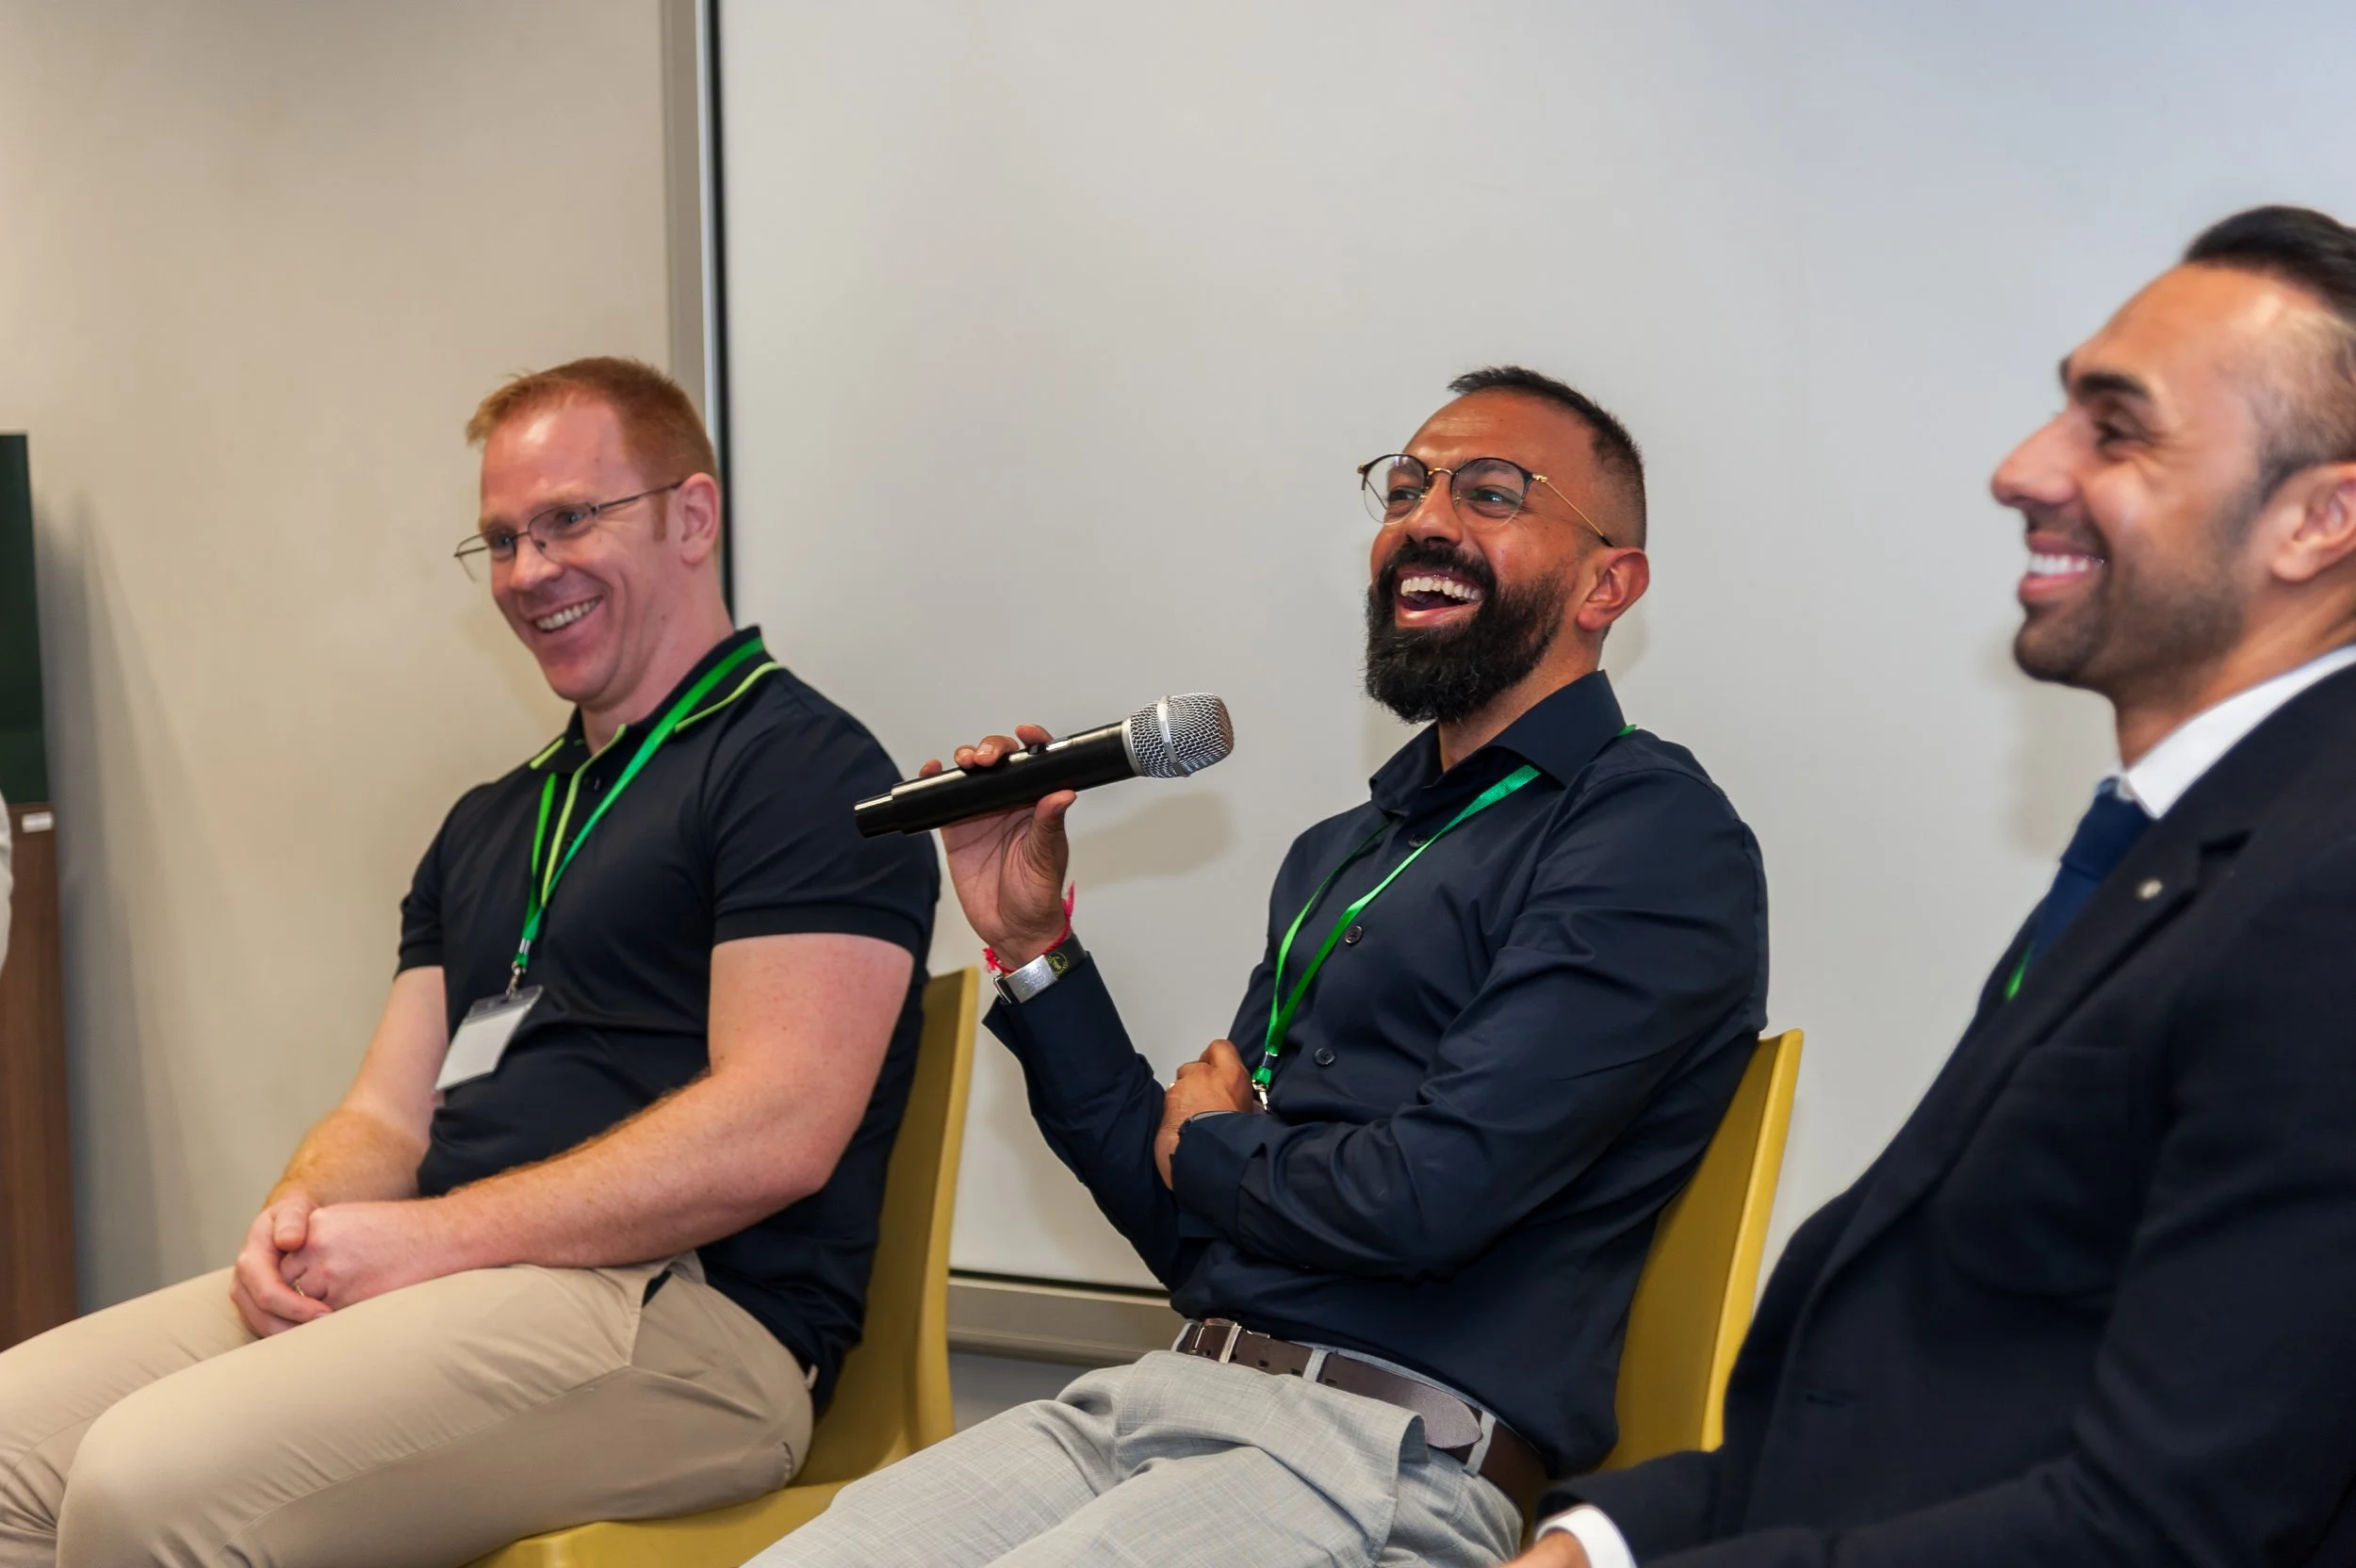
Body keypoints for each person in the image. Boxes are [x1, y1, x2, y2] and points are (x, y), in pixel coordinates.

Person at [756, 367, 1770, 1568]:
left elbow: (1428, 1194)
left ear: (1611, 582)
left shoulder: (1649, 834)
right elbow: (1197, 1241)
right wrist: (1034, 947)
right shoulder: (1340, 854)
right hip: (1155, 1402)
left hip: (1379, 1452)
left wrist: (1217, 1145)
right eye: (1404, 487)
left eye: (1492, 493)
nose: (1424, 520)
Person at [1518, 205, 2356, 1568]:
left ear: (2323, 519)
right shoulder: (2173, 851)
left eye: (2117, 428)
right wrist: (1603, 1540)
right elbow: (1959, 1397)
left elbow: (2161, 1528)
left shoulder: (2327, 897)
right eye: (2059, 412)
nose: (2022, 469)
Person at [0, 357, 938, 1566]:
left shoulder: (802, 768)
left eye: (567, 518)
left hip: (692, 1324)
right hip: (456, 1286)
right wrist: (301, 1218)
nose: (530, 569)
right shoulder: (492, 820)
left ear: (691, 516)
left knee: (146, 1487)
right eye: (500, 538)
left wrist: (431, 1241)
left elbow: (779, 1124)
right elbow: (389, 1114)